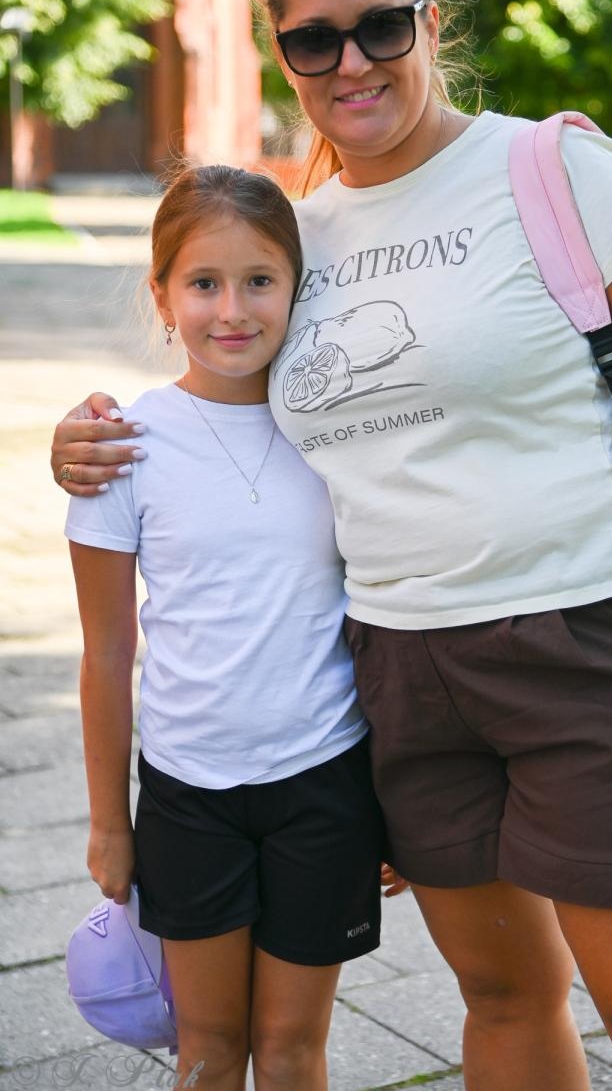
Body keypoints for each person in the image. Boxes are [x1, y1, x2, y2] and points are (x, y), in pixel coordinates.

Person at [51, 0, 612, 1090]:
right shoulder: (302, 230)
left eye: (380, 27)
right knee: (502, 998)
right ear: (281, 54)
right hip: (399, 675)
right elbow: (236, 391)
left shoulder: (549, 164)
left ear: (428, 23)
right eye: (314, 41)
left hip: (586, 637)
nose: (351, 63)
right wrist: (92, 440)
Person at [62, 164, 396, 1091]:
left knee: (292, 1051)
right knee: (208, 1051)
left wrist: (393, 800)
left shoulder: (339, 433)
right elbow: (105, 653)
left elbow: (386, 612)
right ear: (162, 295)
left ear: (297, 287)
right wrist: (108, 825)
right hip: (186, 796)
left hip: (324, 785)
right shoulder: (122, 444)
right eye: (203, 283)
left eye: (259, 281)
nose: (232, 309)